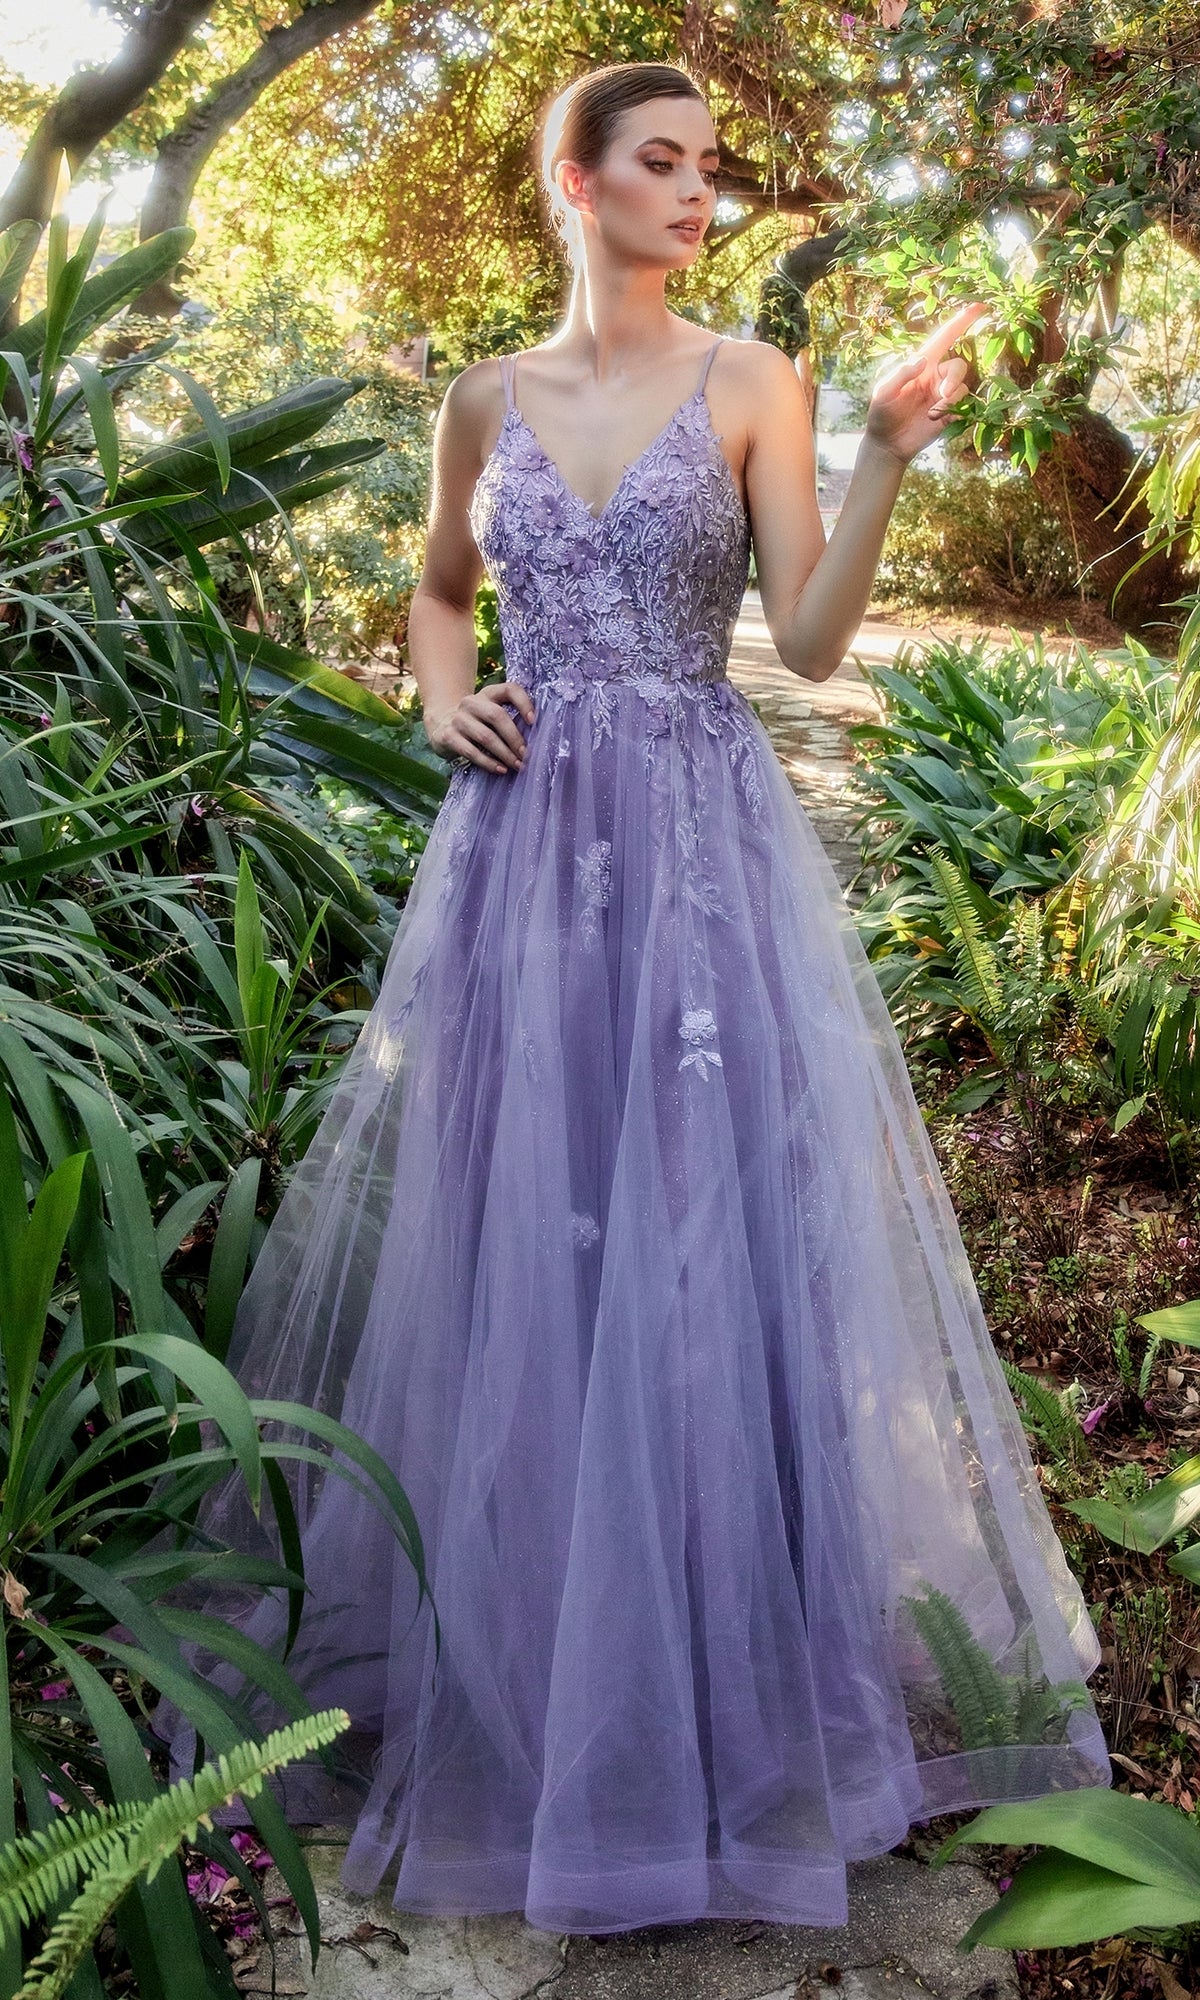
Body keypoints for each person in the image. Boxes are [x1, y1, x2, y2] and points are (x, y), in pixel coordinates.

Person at [187, 59, 1110, 1939]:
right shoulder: (484, 401)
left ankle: (719, 1694)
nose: (700, 196)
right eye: (663, 165)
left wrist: (881, 458)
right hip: (522, 872)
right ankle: (539, 1689)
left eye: (709, 169)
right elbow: (439, 595)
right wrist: (441, 693)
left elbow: (819, 637)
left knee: (711, 1239)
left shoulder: (752, 376)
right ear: (572, 179)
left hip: (701, 867)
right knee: (535, 1252)